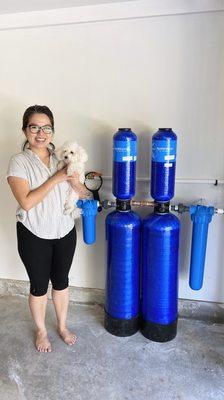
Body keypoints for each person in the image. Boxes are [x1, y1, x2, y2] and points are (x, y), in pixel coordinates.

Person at [7, 105, 89, 353]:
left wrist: (75, 182)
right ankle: (42, 330)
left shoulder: (63, 158)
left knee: (62, 282)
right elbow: (27, 202)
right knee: (39, 285)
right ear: (25, 130)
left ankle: (62, 326)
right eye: (34, 127)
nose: (40, 133)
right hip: (34, 234)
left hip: (64, 231)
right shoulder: (18, 162)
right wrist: (56, 178)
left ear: (52, 132)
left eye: (46, 128)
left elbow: (83, 194)